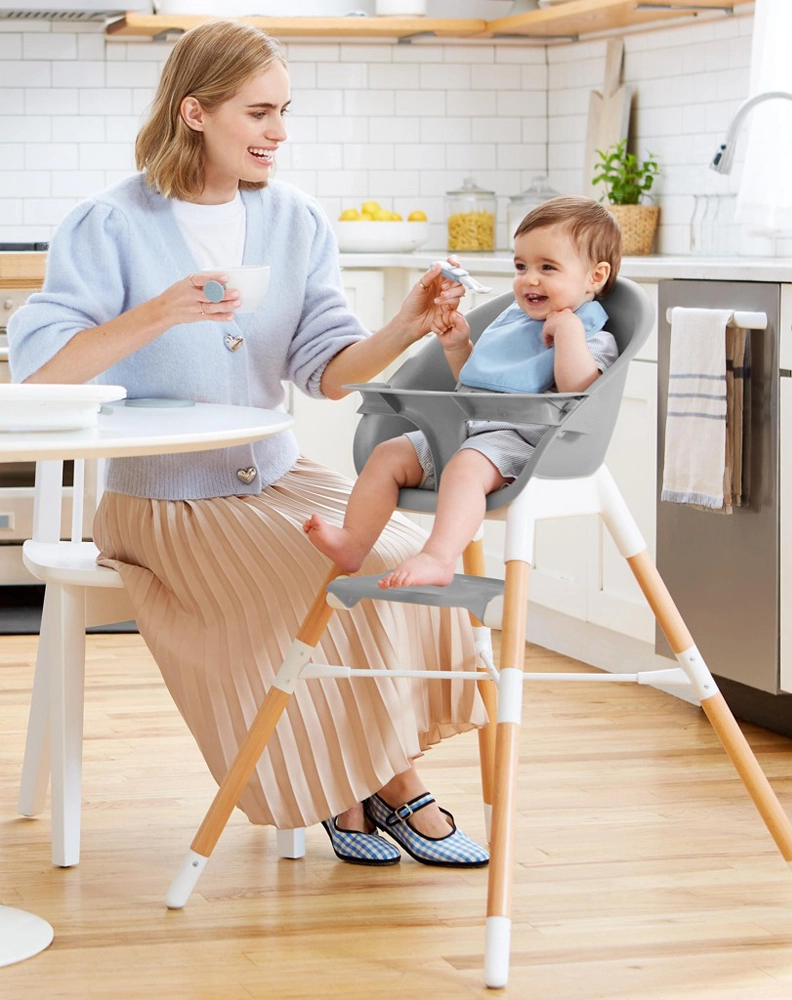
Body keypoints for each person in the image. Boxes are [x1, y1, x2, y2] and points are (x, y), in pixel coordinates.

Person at [8, 20, 490, 869]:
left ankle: (365, 779)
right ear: (195, 112)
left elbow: (328, 372)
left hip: (276, 478)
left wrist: (404, 327)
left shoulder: (296, 219)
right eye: (259, 113)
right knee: (317, 573)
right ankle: (387, 783)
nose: (278, 133)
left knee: (401, 554)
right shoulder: (109, 223)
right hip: (165, 500)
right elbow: (41, 370)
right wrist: (162, 310)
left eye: (283, 112)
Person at [304, 196, 621, 591]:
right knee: (388, 455)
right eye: (521, 267)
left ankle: (439, 558)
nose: (529, 279)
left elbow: (579, 392)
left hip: (519, 447)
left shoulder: (594, 337)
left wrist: (569, 332)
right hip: (462, 431)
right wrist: (458, 347)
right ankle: (354, 542)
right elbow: (474, 385)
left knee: (466, 467)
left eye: (547, 268)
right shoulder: (512, 323)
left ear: (595, 276)